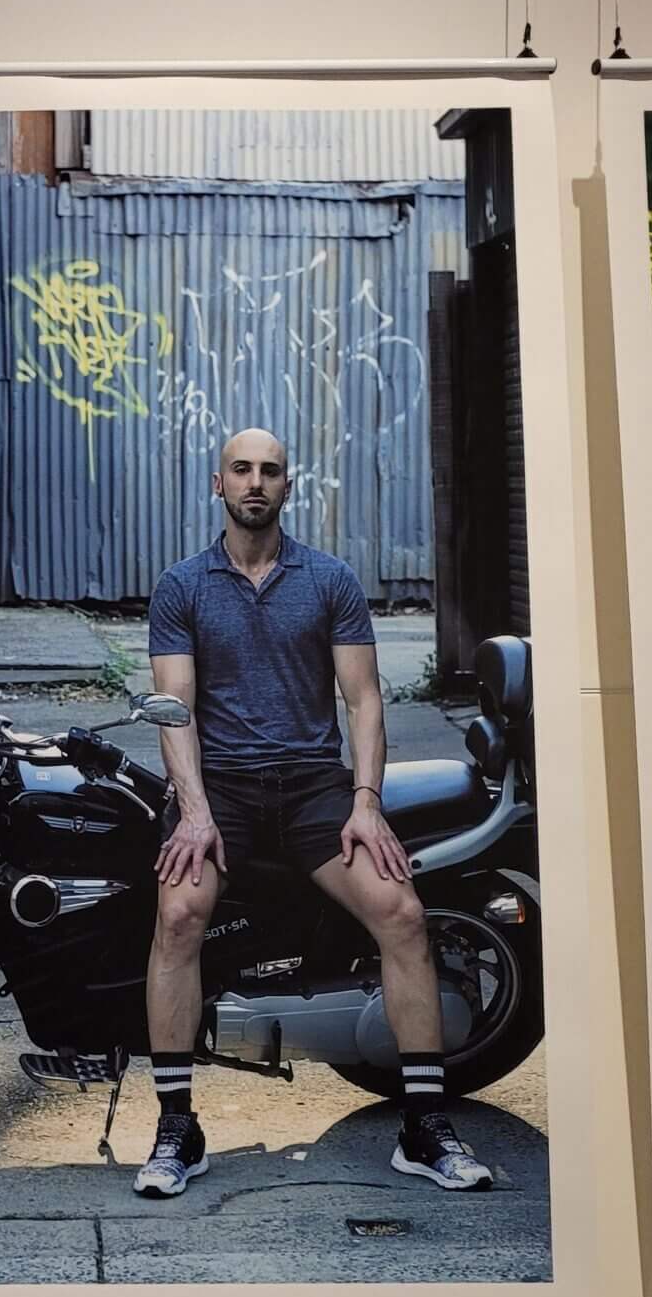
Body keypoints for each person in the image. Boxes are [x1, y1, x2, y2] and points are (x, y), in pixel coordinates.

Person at [136, 428, 496, 1199]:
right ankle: (177, 1128)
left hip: (310, 790)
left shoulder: (329, 580)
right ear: (218, 483)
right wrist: (194, 813)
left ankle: (424, 1127)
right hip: (222, 789)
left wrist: (365, 802)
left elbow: (363, 700)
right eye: (242, 470)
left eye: (269, 471)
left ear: (288, 488)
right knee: (177, 916)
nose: (255, 483)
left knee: (400, 913)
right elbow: (175, 711)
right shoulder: (182, 586)